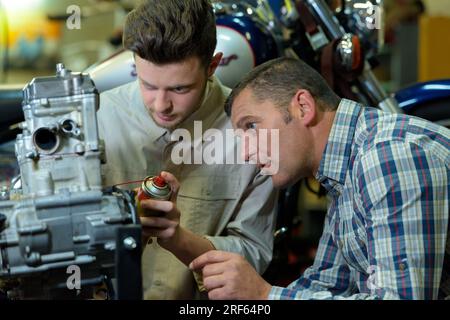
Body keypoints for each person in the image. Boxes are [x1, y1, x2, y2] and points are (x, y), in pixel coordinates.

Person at [190, 57, 450, 300]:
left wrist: (264, 294)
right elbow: (327, 282)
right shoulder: (342, 171)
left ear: (303, 107)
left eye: (251, 126)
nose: (245, 153)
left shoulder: (387, 155)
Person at [96, 0, 278, 299]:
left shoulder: (252, 134)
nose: (161, 105)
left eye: (180, 89)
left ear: (213, 66)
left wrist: (178, 239)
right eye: (148, 85)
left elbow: (253, 254)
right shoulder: (98, 119)